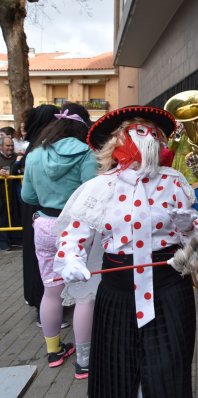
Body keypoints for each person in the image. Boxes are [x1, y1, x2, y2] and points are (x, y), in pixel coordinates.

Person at [55, 105, 198, 397]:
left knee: (169, 369)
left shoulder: (174, 182)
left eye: (153, 131)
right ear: (118, 138)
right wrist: (70, 260)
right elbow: (73, 235)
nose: (149, 135)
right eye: (139, 129)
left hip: (170, 289)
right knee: (116, 374)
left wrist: (190, 227)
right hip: (118, 294)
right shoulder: (99, 187)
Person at [20, 102, 98, 378]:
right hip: (77, 229)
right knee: (85, 295)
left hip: (43, 225)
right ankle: (84, 361)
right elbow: (93, 197)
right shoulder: (86, 154)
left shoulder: (34, 155)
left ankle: (53, 351)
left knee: (51, 290)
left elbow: (27, 197)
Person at [20, 104, 60, 316]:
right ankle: (43, 304)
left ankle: (40, 301)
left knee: (37, 257)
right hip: (42, 209)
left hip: (33, 208)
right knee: (43, 261)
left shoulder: (33, 147)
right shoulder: (41, 148)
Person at [0, 136, 17, 251]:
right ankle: (3, 243)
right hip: (1, 193)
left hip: (14, 192)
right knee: (3, 217)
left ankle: (16, 240)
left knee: (14, 215)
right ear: (1, 146)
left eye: (12, 145)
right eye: (7, 146)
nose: (10, 148)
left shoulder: (17, 157)